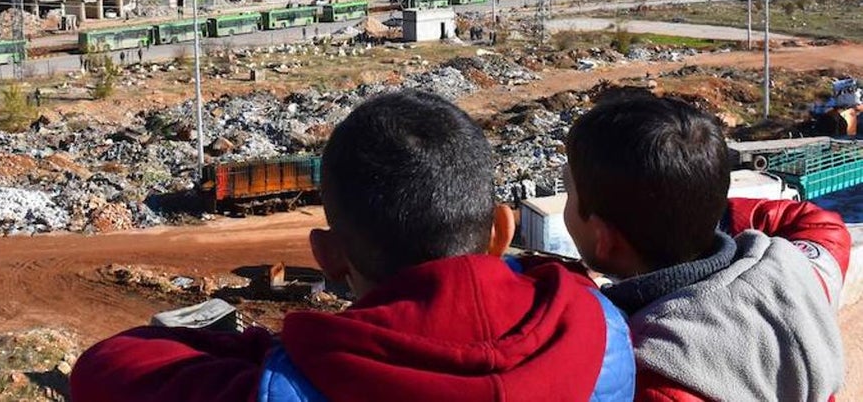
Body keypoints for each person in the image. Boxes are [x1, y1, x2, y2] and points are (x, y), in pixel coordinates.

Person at [71, 90, 634, 402]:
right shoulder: (605, 333)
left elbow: (105, 367)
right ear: (501, 231)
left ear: (329, 255)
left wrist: (263, 350)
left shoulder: (292, 386)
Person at [563, 91, 850, 402]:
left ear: (604, 241)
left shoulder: (647, 373)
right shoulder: (795, 276)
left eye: (568, 191)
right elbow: (819, 223)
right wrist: (694, 202)